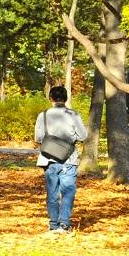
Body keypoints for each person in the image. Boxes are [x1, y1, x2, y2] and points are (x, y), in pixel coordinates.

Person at [34, 86, 87, 234]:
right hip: (68, 158)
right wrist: (69, 138)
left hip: (48, 158)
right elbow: (83, 136)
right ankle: (64, 224)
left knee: (52, 191)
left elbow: (38, 138)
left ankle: (53, 224)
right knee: (68, 191)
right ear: (66, 98)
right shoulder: (73, 115)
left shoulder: (42, 115)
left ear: (50, 98)